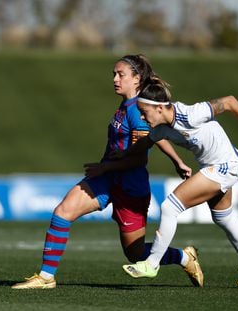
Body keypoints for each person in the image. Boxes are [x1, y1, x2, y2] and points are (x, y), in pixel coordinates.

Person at [11, 55, 204, 289]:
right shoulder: (128, 106)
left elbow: (139, 156)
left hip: (131, 185)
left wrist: (106, 166)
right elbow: (154, 136)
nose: (114, 79)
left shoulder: (137, 111)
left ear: (136, 79)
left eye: (120, 74)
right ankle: (46, 277)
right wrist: (176, 160)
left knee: (135, 254)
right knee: (63, 212)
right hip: (106, 178)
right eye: (114, 74)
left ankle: (185, 258)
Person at [121, 81, 238, 287]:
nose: (143, 118)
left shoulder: (191, 114)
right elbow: (144, 144)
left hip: (224, 165)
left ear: (160, 107)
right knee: (223, 217)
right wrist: (116, 159)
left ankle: (152, 264)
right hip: (216, 166)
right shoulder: (161, 130)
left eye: (145, 112)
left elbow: (229, 102)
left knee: (170, 207)